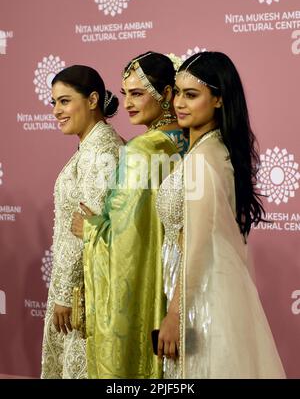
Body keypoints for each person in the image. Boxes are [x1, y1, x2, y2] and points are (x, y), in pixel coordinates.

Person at [156, 51, 286, 378]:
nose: (179, 104)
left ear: (217, 100)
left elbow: (199, 244)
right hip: (202, 289)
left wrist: (175, 314)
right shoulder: (212, 150)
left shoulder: (202, 161)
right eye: (178, 93)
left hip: (199, 300)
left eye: (192, 95)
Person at [71, 51, 188, 378]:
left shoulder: (142, 150)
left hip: (149, 291)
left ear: (166, 94)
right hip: (178, 284)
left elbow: (125, 242)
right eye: (125, 94)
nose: (129, 103)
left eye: (138, 93)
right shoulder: (186, 142)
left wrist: (90, 229)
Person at [41, 65, 123, 379]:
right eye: (53, 103)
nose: (56, 111)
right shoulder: (91, 147)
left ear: (92, 100)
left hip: (84, 296)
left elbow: (86, 229)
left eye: (64, 101)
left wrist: (65, 294)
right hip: (80, 290)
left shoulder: (101, 152)